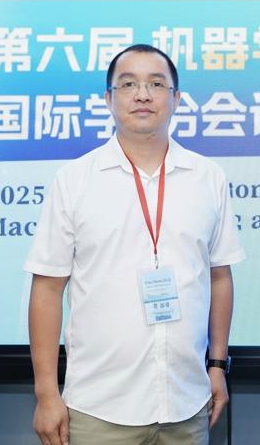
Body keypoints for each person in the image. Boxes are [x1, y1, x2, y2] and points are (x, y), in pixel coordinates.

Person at [25, 44, 245, 445]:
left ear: (177, 99)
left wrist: (217, 365)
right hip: (99, 407)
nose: (142, 95)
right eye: (128, 84)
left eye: (156, 84)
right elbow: (47, 289)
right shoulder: (74, 181)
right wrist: (46, 393)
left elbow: (219, 276)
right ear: (108, 99)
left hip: (187, 402)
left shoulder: (208, 177)